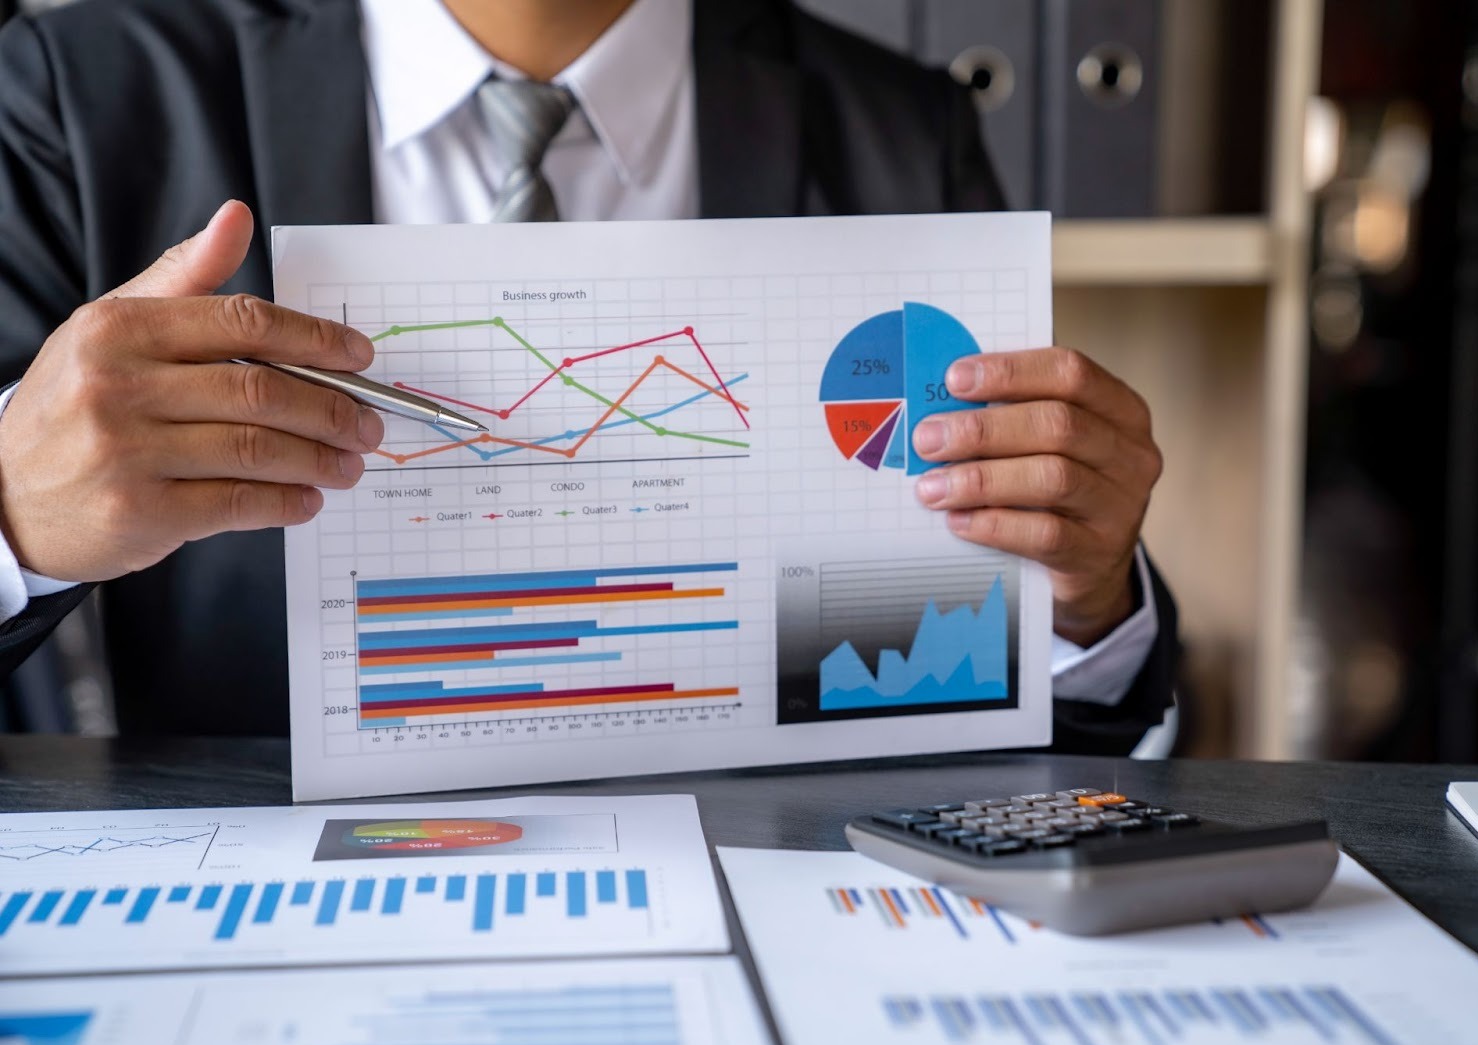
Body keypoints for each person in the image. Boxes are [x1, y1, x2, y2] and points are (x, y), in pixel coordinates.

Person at [0, 0, 1175, 751]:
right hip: (268, 902)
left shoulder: (902, 131)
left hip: (770, 894)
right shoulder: (73, 94)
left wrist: (1086, 604)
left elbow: (989, 698)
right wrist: (11, 511)